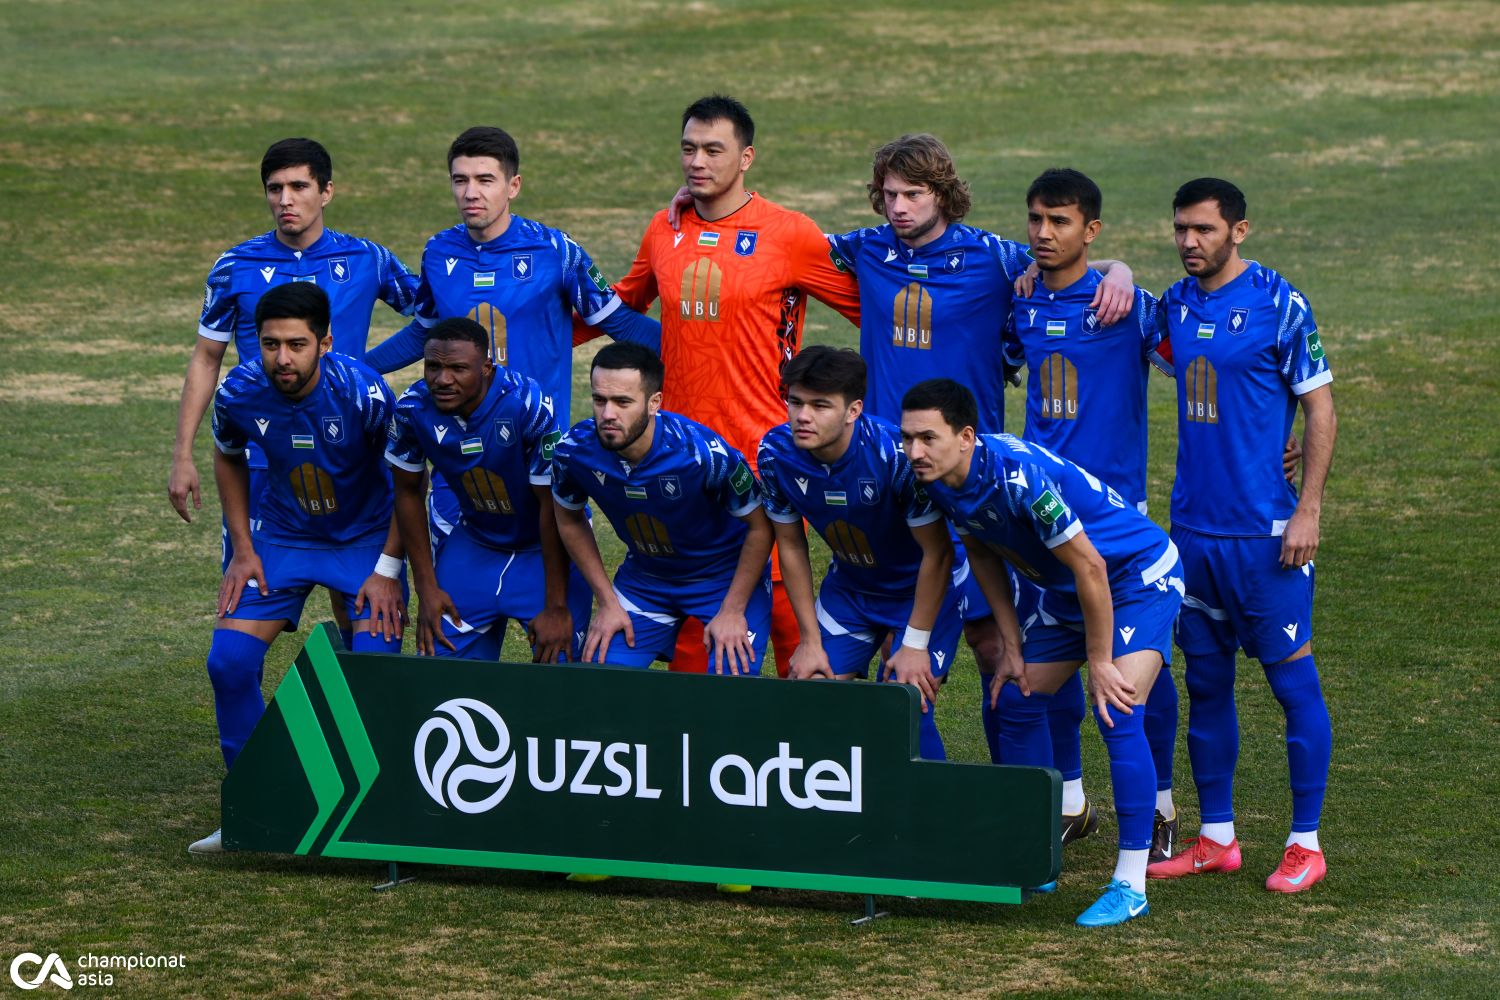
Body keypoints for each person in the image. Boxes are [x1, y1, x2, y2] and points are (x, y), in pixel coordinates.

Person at [825, 135, 1136, 843]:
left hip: (976, 485)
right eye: (890, 195)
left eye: (914, 194)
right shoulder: (865, 249)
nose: (899, 208)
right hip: (892, 485)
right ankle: (933, 809)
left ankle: (1050, 800)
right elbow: (791, 243)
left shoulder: (995, 258)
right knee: (907, 633)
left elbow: (1064, 261)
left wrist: (1118, 268)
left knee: (1004, 649)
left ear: (944, 194)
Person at [901, 378, 1183, 927]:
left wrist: (1099, 661)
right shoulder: (936, 480)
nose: (914, 451)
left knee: (1117, 708)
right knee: (1017, 697)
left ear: (965, 437)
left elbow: (1092, 566)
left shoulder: (1019, 477)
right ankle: (1034, 853)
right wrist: (1011, 644)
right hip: (1067, 591)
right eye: (908, 438)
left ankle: (1130, 883)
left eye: (927, 438)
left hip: (1134, 579)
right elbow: (982, 550)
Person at [600, 94, 863, 675]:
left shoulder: (788, 233)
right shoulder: (664, 228)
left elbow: (868, 307)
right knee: (705, 611)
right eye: (689, 148)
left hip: (765, 449)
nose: (697, 162)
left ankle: (818, 719)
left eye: (713, 150)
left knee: (792, 620)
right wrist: (534, 320)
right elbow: (623, 304)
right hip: (681, 453)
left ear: (746, 157)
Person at [1144, 178, 1336, 893]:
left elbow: (1320, 408)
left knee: (1292, 683)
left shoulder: (1280, 304)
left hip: (1265, 535)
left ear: (1239, 231)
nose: (1190, 242)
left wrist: (1308, 508)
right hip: (1193, 533)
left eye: (1204, 229)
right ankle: (1217, 838)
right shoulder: (1174, 304)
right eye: (1181, 229)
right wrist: (1120, 271)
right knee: (1207, 683)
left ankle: (1305, 843)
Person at [168, 138, 419, 646]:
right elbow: (206, 358)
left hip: (348, 453)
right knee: (251, 586)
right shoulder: (234, 266)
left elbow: (430, 318)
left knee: (355, 601)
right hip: (264, 458)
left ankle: (354, 683)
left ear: (326, 192)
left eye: (299, 186)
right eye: (274, 188)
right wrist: (182, 453)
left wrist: (367, 368)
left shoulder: (367, 258)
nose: (285, 199)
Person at [366, 125, 660, 547]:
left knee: (553, 577)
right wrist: (357, 369)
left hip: (537, 446)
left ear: (513, 185)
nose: (471, 192)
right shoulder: (438, 252)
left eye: (485, 180)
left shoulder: (555, 251)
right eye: (460, 180)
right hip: (459, 446)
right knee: (458, 578)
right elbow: (422, 334)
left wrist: (692, 350)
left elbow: (619, 323)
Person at [188, 283, 405, 855]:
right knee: (228, 663)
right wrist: (242, 547)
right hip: (282, 538)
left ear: (325, 343)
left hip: (362, 543)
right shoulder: (239, 391)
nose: (282, 358)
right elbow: (228, 455)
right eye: (270, 345)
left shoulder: (364, 393)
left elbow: (408, 481)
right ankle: (256, 806)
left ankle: (376, 817)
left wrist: (387, 568)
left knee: (373, 676)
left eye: (296, 345)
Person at [1002, 167, 1181, 861]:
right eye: (1036, 219)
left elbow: (1204, 364)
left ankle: (1161, 805)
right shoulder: (1019, 302)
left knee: (1141, 670)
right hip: (1039, 522)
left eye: (1061, 221)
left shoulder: (1127, 305)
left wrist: (1121, 270)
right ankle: (1072, 800)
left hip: (1116, 522)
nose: (1044, 234)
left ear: (1091, 229)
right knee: (1054, 659)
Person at [758, 346, 961, 760]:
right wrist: (809, 640)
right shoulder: (776, 453)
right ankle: (841, 792)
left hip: (921, 590)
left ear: (853, 410)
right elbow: (790, 544)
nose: (802, 416)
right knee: (807, 693)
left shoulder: (895, 457)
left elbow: (937, 554)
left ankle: (932, 799)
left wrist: (915, 643)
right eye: (795, 402)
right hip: (852, 590)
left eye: (820, 405)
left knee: (904, 704)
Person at [551, 342, 774, 674]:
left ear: (654, 402)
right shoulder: (573, 451)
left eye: (622, 402)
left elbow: (761, 526)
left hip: (723, 578)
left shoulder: (703, 454)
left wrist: (732, 610)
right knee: (599, 684)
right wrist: (607, 601)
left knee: (731, 688)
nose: (608, 414)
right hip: (646, 581)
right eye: (599, 400)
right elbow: (569, 520)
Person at [386, 317, 591, 662]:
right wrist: (426, 587)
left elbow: (552, 505)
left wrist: (557, 605)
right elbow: (407, 492)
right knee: (439, 670)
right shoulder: (412, 409)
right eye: (433, 367)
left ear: (486, 367)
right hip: (477, 541)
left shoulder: (527, 404)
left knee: (561, 669)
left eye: (458, 368)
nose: (442, 379)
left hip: (543, 546)